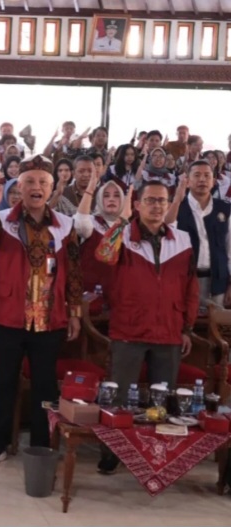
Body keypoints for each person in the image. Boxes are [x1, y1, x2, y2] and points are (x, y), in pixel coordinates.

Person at [0, 155, 82, 468]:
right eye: (29, 182)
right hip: (10, 315)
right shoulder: (2, 220)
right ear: (19, 187)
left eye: (42, 183)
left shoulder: (65, 226)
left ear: (51, 189)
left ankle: (41, 446)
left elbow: (74, 272)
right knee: (3, 382)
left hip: (50, 319)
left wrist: (75, 312)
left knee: (45, 387)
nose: (36, 187)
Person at [94, 180, 198, 474]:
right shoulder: (121, 235)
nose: (156, 206)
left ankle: (155, 455)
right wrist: (122, 221)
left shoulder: (183, 239)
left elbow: (190, 288)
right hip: (129, 328)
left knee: (161, 402)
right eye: (150, 200)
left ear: (168, 206)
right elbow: (103, 256)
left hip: (169, 330)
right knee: (118, 397)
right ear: (137, 205)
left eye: (162, 201)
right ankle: (112, 454)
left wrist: (187, 327)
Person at [167, 160, 231, 306]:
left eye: (207, 175)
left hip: (218, 279)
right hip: (184, 278)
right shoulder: (177, 208)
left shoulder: (225, 209)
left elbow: (230, 248)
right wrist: (176, 200)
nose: (202, 179)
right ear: (188, 181)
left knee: (215, 324)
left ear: (214, 181)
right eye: (197, 175)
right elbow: (166, 231)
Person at [73, 169, 125, 303]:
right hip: (91, 298)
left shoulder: (129, 228)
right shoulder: (92, 222)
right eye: (106, 195)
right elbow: (80, 223)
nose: (111, 199)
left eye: (116, 195)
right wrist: (90, 189)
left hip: (120, 298)